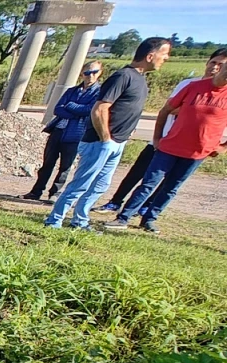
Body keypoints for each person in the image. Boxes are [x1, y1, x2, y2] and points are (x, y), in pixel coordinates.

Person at [44, 37, 171, 231]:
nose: (166, 58)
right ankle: (54, 221)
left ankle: (79, 221)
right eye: (164, 54)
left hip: (117, 143)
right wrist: (105, 138)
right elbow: (99, 109)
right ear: (150, 55)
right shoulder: (123, 76)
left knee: (100, 185)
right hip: (100, 142)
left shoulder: (141, 79)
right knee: (82, 183)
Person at [98, 49, 227, 213]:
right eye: (213, 62)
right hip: (164, 138)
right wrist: (192, 109)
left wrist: (221, 145)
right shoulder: (189, 84)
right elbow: (170, 109)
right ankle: (115, 202)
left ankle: (145, 208)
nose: (215, 68)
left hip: (190, 148)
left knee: (169, 182)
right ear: (207, 63)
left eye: (220, 65)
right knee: (140, 173)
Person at [21, 62, 103, 201]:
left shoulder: (99, 93)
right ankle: (36, 192)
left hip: (76, 133)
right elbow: (58, 109)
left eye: (94, 72)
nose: (91, 76)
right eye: (87, 73)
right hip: (58, 130)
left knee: (65, 166)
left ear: (100, 73)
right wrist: (75, 111)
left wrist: (70, 106)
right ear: (82, 73)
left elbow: (89, 110)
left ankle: (55, 194)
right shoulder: (72, 90)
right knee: (47, 164)